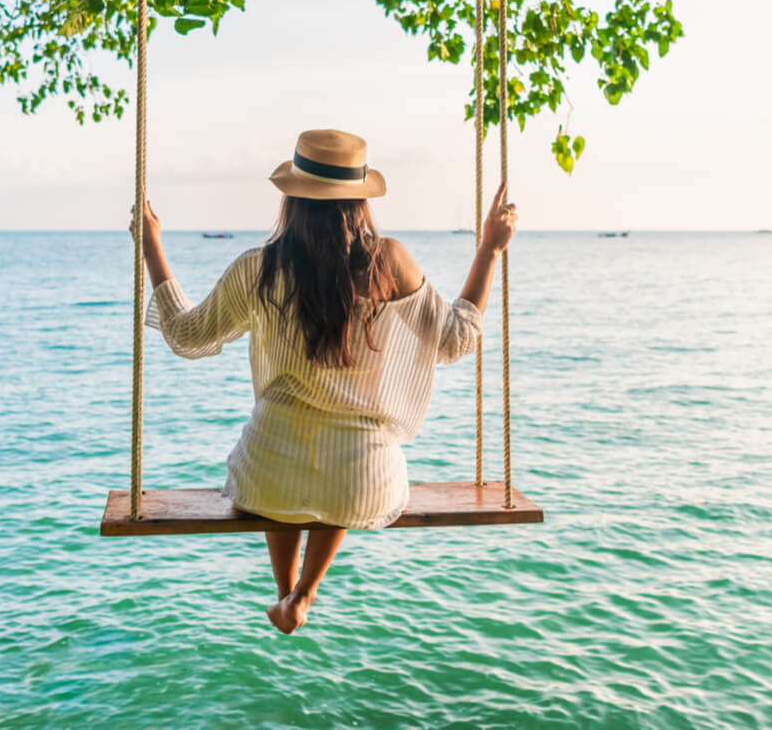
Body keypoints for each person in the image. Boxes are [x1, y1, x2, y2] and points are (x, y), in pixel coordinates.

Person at [129, 129, 517, 634]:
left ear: (291, 198)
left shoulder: (261, 269)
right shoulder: (390, 264)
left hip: (265, 477)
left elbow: (185, 333)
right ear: (359, 201)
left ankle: (285, 591)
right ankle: (304, 594)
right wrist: (489, 249)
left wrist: (151, 246)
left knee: (284, 454)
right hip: (363, 482)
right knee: (345, 462)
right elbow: (456, 340)